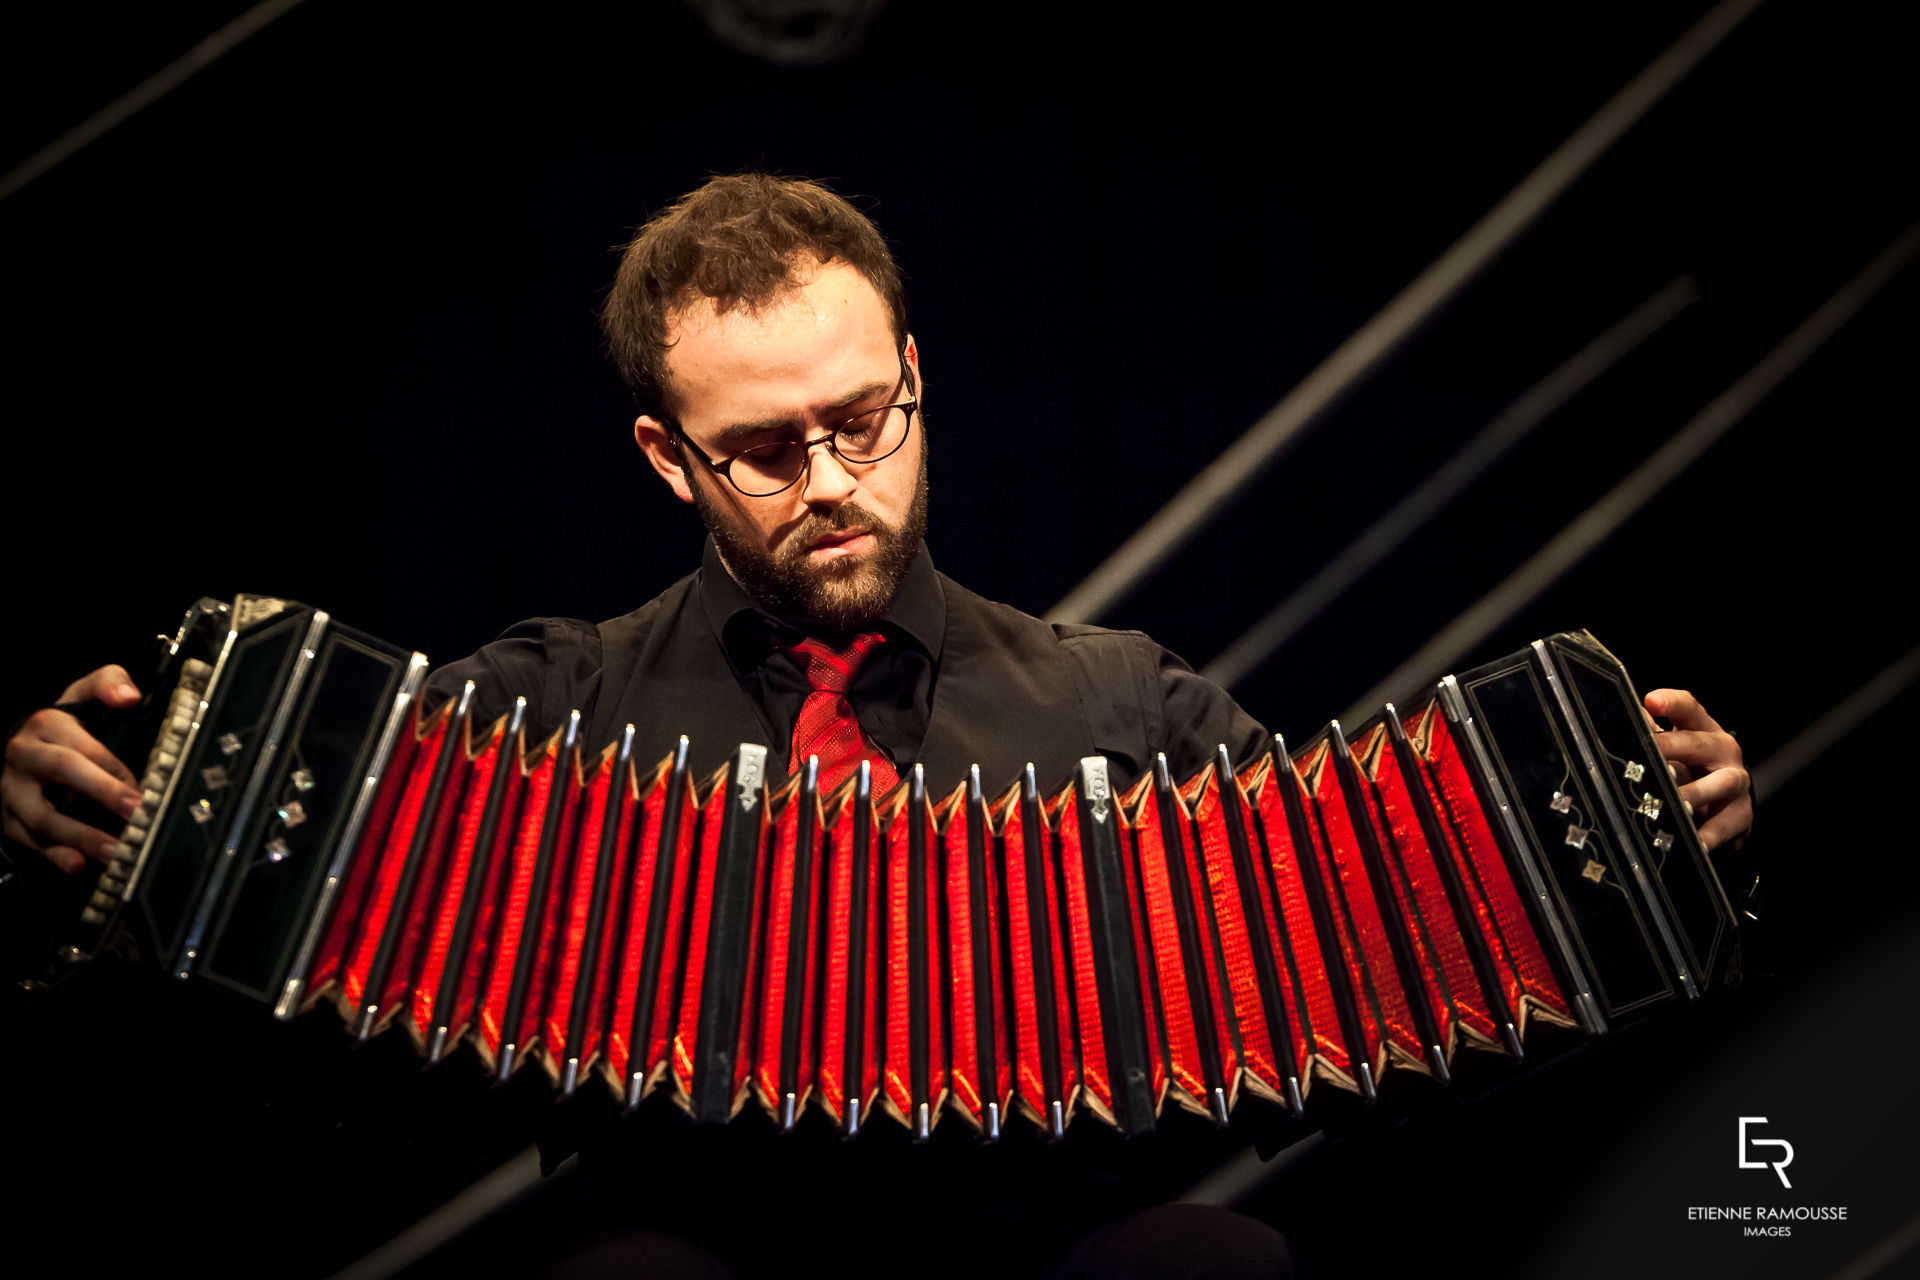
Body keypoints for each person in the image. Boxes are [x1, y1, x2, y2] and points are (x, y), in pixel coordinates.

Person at [1, 174, 1754, 1276]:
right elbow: (272, 998)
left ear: (916, 376)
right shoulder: (557, 706)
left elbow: (1390, 1004)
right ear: (663, 460)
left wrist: (1614, 871)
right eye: (765, 451)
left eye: (867, 419)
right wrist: (94, 830)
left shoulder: (1120, 709)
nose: (831, 484)